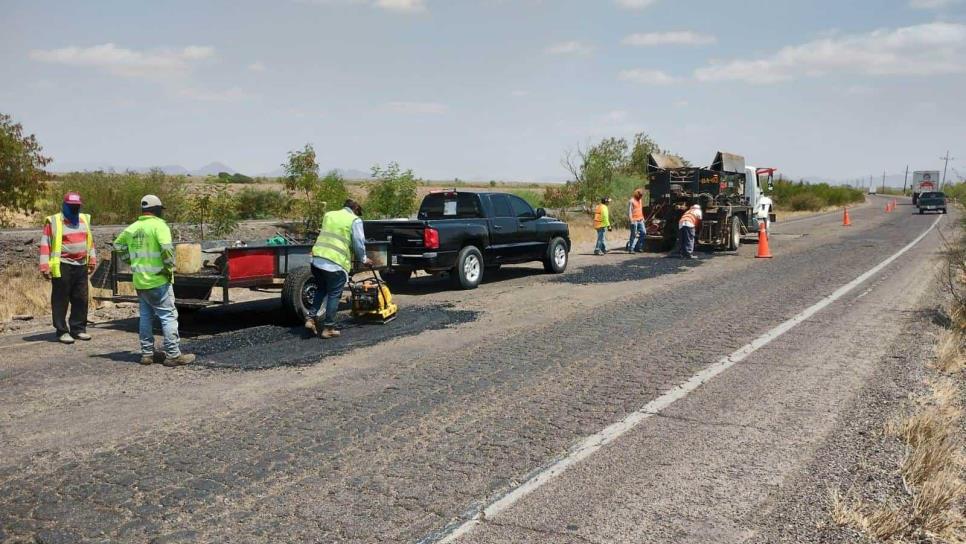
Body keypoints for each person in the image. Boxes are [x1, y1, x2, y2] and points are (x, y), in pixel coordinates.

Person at [113, 195, 195, 366]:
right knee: (168, 316)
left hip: (140, 281)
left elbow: (118, 245)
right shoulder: (159, 226)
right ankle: (173, 355)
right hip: (158, 280)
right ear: (157, 210)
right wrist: (168, 268)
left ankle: (147, 354)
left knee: (145, 316)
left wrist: (130, 260)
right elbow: (166, 249)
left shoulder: (132, 228)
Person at [306, 199, 372, 339]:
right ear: (354, 209)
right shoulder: (354, 220)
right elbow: (358, 243)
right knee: (334, 294)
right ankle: (328, 327)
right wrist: (364, 259)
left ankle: (310, 318)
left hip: (317, 259)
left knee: (321, 289)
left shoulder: (329, 215)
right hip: (334, 262)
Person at [40, 192, 96, 344]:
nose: (74, 209)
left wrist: (92, 259)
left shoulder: (84, 219)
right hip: (62, 265)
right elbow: (45, 244)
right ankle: (62, 331)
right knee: (60, 299)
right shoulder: (54, 221)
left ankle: (78, 329)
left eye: (77, 207)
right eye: (71, 207)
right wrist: (44, 266)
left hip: (81, 265)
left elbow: (89, 240)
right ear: (64, 205)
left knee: (81, 298)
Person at [626, 188, 646, 253]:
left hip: (640, 220)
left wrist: (643, 218)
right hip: (634, 220)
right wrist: (631, 220)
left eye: (641, 195)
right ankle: (631, 248)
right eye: (640, 195)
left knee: (643, 232)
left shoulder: (640, 200)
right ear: (636, 194)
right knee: (633, 234)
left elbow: (640, 209)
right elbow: (629, 212)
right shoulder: (631, 201)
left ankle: (638, 247)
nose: (641, 196)